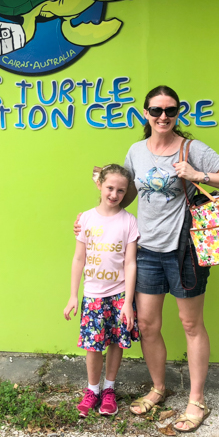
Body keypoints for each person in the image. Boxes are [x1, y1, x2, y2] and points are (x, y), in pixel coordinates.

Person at [74, 86, 219, 433]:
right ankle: (158, 388)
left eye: (170, 110)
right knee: (148, 326)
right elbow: (123, 193)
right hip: (147, 252)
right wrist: (92, 218)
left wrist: (198, 175)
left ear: (178, 112)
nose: (163, 116)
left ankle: (196, 400)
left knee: (190, 325)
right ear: (146, 114)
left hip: (185, 251)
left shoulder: (191, 148)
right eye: (156, 110)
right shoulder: (136, 152)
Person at [63, 164, 141, 418]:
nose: (114, 194)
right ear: (99, 185)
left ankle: (109, 389)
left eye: (120, 190)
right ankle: (92, 390)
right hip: (93, 296)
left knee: (117, 342)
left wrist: (128, 302)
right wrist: (74, 295)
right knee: (93, 346)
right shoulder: (85, 218)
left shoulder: (129, 221)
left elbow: (130, 262)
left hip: (119, 296)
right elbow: (78, 259)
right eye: (110, 188)